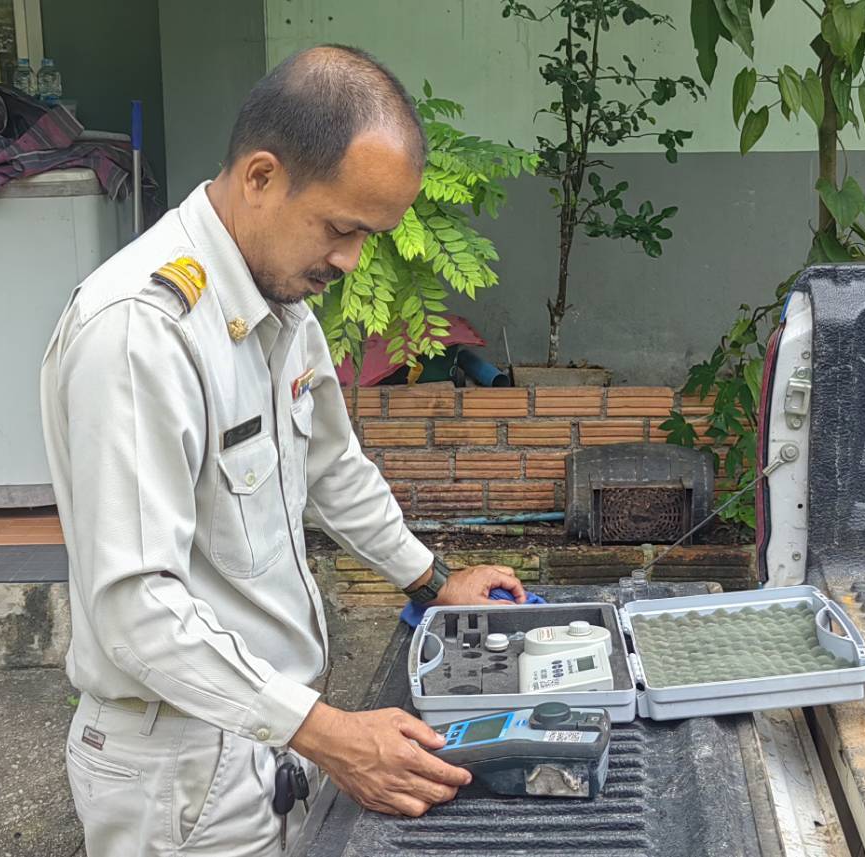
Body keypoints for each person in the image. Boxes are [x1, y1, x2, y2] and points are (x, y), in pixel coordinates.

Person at [39, 44, 529, 857]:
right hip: (178, 770)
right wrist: (335, 736)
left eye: (368, 237)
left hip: (268, 737)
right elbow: (134, 610)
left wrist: (433, 580)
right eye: (342, 228)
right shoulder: (141, 331)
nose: (350, 260)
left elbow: (332, 468)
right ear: (261, 178)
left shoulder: (279, 298)